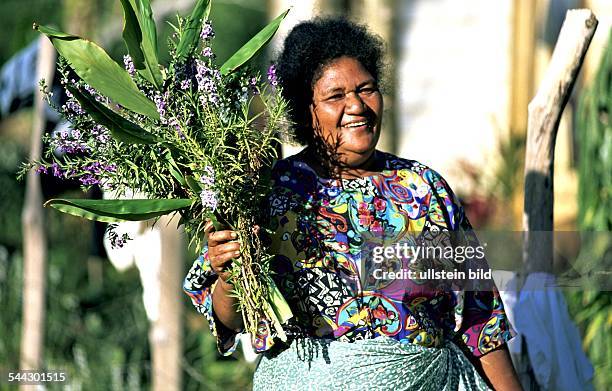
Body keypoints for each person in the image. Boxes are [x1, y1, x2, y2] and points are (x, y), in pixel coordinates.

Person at [184, 17, 522, 391]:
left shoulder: (424, 190)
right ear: (304, 110)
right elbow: (229, 322)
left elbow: (480, 320)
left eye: (366, 89)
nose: (357, 105)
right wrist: (231, 272)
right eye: (336, 96)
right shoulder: (269, 196)